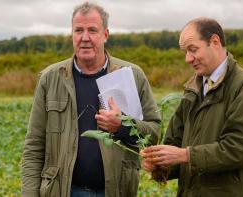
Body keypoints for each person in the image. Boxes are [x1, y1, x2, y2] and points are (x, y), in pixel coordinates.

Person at [21, 2, 160, 197]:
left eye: (92, 30)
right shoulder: (51, 78)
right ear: (72, 34)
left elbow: (154, 132)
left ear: (105, 34)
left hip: (115, 191)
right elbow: (34, 145)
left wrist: (121, 126)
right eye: (79, 30)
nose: (84, 38)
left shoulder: (132, 75)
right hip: (64, 191)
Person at [141, 17, 243, 196]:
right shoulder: (192, 89)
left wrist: (185, 155)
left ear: (215, 42)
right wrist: (160, 165)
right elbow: (175, 143)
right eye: (185, 52)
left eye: (193, 50)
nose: (188, 59)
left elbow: (239, 149)